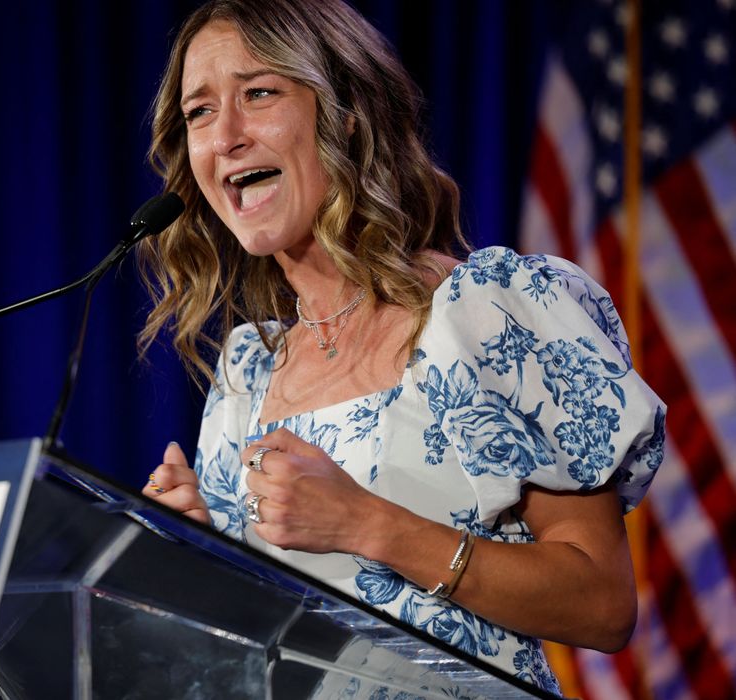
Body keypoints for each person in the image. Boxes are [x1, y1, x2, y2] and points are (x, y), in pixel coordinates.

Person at [136, 0, 667, 691]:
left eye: (259, 93)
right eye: (199, 112)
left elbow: (602, 605)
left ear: (346, 115)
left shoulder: (485, 310)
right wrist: (199, 556)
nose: (226, 136)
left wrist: (368, 523)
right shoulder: (248, 370)